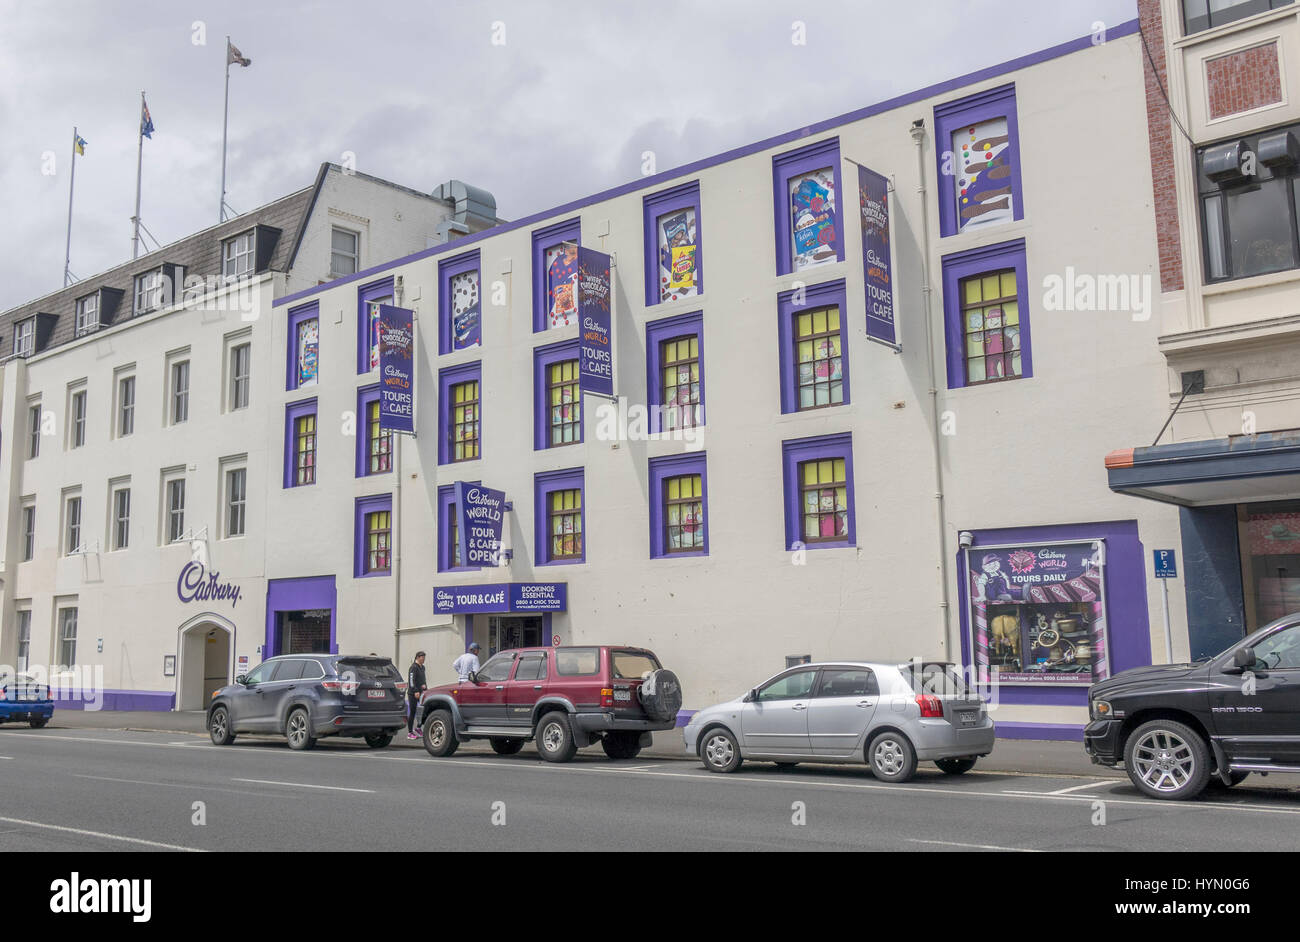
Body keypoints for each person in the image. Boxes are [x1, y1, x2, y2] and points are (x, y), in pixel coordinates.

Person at [406, 651, 427, 740]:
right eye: (422, 657)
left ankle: (418, 727)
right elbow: (411, 680)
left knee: (424, 710)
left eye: (424, 658)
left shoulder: (423, 667)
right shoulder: (413, 667)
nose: (424, 659)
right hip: (413, 693)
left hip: (422, 693)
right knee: (413, 712)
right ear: (417, 657)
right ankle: (410, 732)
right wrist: (415, 691)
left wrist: (425, 688)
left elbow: (423, 680)